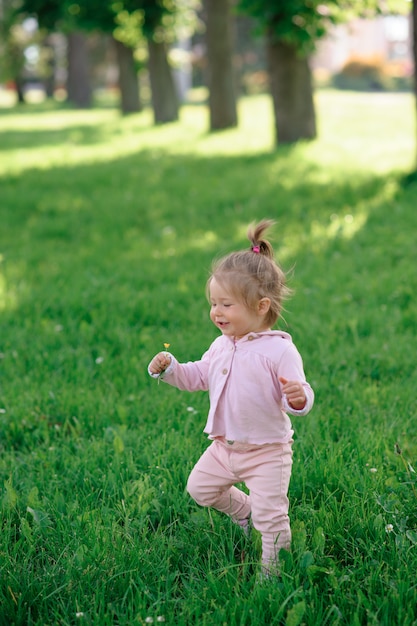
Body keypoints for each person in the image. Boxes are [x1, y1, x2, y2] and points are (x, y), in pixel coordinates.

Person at [148, 219, 314, 577]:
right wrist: (170, 368)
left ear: (261, 306)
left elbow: (297, 396)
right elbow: (199, 377)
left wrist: (299, 397)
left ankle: (274, 575)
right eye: (213, 304)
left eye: (226, 305)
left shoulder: (279, 351)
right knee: (200, 488)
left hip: (267, 451)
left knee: (272, 518)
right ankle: (243, 511)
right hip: (225, 447)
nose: (216, 312)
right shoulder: (221, 346)